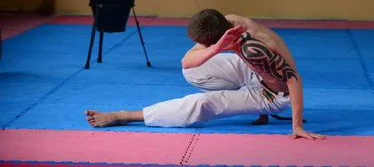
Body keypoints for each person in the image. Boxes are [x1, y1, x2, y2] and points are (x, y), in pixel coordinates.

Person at [84, 9, 325, 140]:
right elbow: (187, 62)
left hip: (272, 94)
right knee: (195, 72)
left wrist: (296, 126)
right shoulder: (227, 21)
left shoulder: (254, 47)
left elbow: (293, 78)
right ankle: (246, 102)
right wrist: (217, 48)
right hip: (255, 74)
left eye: (208, 44)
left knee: (202, 104)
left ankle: (126, 116)